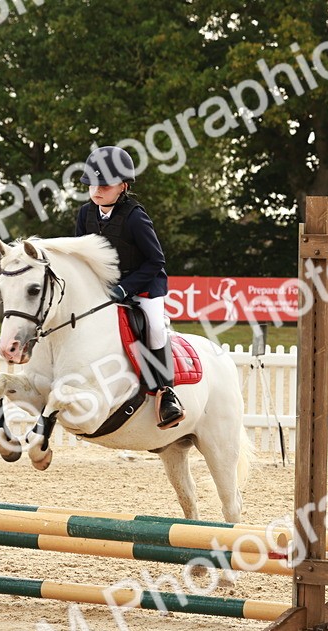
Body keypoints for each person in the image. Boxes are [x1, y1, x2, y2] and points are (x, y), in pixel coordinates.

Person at [75, 145, 185, 429]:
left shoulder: (135, 217)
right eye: (92, 184)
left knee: (155, 326)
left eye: (105, 185)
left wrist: (125, 289)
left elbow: (156, 260)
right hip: (105, 287)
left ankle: (166, 392)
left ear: (122, 187)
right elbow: (80, 255)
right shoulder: (85, 214)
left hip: (144, 285)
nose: (97, 190)